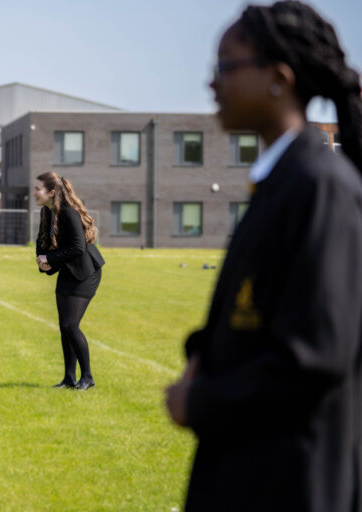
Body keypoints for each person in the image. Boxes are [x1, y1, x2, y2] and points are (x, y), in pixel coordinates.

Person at [164, 2, 362, 511]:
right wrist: (202, 352)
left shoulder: (322, 187)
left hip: (287, 479)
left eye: (225, 66)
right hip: (245, 468)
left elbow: (314, 356)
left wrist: (199, 401)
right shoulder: (278, 181)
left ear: (278, 78)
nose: (212, 84)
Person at [35, 172, 104, 391]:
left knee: (70, 324)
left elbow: (77, 247)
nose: (35, 192)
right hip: (67, 270)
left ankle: (88, 377)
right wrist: (43, 262)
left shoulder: (68, 213)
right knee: (64, 326)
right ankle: (68, 378)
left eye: (38, 189)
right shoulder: (46, 212)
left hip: (86, 272)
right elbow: (42, 243)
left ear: (51, 192)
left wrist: (50, 259)